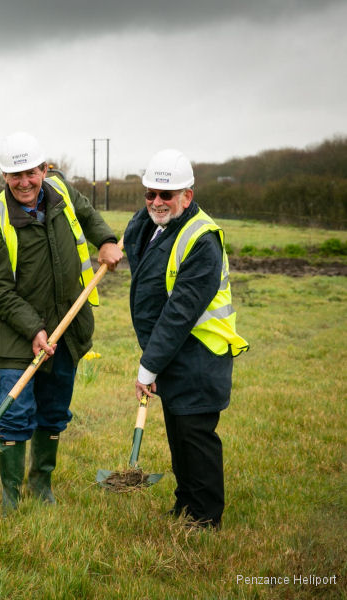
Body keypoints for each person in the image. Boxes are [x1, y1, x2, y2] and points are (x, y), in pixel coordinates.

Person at [0, 132, 122, 511]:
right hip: (15, 328)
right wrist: (35, 329)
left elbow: (88, 215)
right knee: (16, 411)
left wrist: (105, 239)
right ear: (4, 176)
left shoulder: (62, 191)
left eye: (30, 172)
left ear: (44, 168)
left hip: (67, 322)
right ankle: (11, 495)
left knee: (54, 409)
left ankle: (41, 484)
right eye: (14, 175)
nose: (24, 182)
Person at [124, 149, 248, 529]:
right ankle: (186, 503)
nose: (157, 202)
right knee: (178, 432)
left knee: (195, 437)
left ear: (187, 197)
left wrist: (148, 367)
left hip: (201, 353)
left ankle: (206, 517)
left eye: (167, 195)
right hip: (173, 353)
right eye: (151, 194)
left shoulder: (201, 240)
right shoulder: (152, 225)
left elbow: (179, 313)